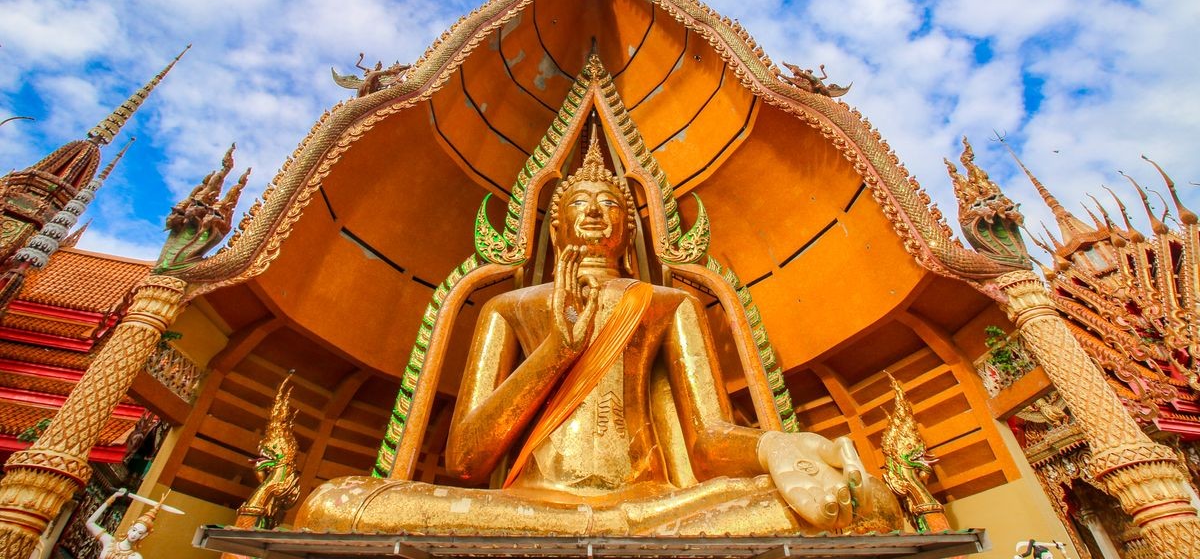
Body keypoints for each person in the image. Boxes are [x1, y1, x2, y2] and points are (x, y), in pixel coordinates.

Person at [296, 140, 902, 536]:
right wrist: (556, 351)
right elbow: (464, 460)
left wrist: (776, 446)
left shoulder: (669, 303)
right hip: (533, 510)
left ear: (630, 225)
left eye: (610, 204)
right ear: (554, 222)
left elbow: (710, 441)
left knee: (861, 500)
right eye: (579, 202)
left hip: (652, 507)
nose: (593, 211)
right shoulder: (508, 309)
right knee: (332, 507)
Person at [85, 489, 157, 559]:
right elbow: (89, 523)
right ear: (130, 529)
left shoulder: (134, 557)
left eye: (140, 533)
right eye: (134, 530)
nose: (134, 534)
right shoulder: (110, 542)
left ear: (143, 536)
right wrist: (112, 498)